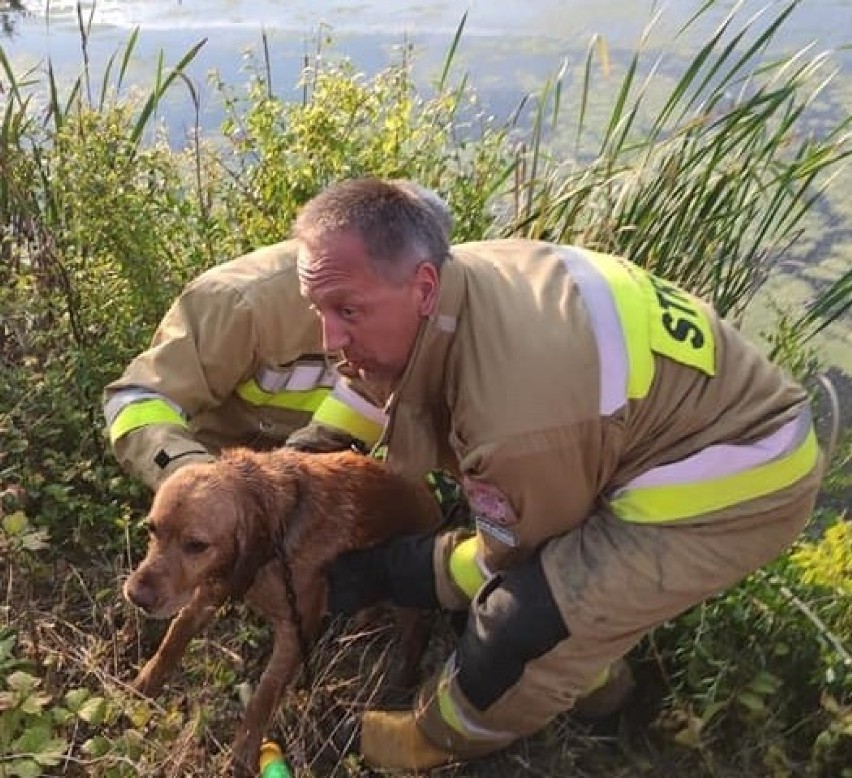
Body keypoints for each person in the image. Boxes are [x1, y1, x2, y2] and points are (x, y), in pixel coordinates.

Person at [294, 177, 824, 770]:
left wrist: (405, 571)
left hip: (735, 482)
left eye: (346, 311)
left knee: (524, 622)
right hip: (631, 431)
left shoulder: (512, 420)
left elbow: (512, 560)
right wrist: (304, 457)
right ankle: (605, 686)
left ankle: (433, 741)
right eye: (320, 309)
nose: (329, 337)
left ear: (421, 287)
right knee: (565, 590)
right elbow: (383, 382)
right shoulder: (451, 282)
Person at [102, 182, 455, 492]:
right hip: (220, 485)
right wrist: (198, 482)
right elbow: (138, 398)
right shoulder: (240, 303)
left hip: (323, 482)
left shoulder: (441, 297)